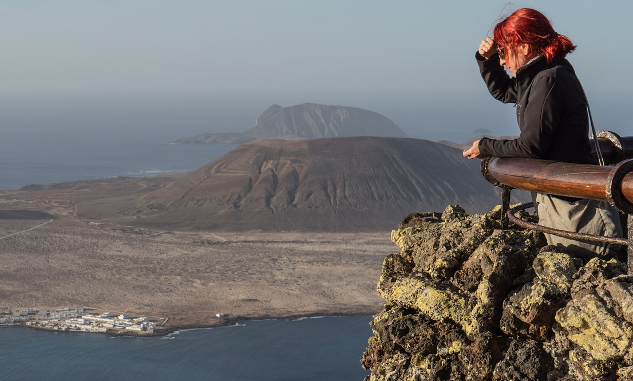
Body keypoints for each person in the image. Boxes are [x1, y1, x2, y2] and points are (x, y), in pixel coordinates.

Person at [463, 7, 622, 258]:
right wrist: (488, 59)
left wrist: (485, 146)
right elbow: (506, 92)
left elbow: (530, 148)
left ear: (524, 47)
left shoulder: (548, 80)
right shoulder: (545, 73)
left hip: (574, 207)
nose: (502, 60)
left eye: (504, 51)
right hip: (566, 198)